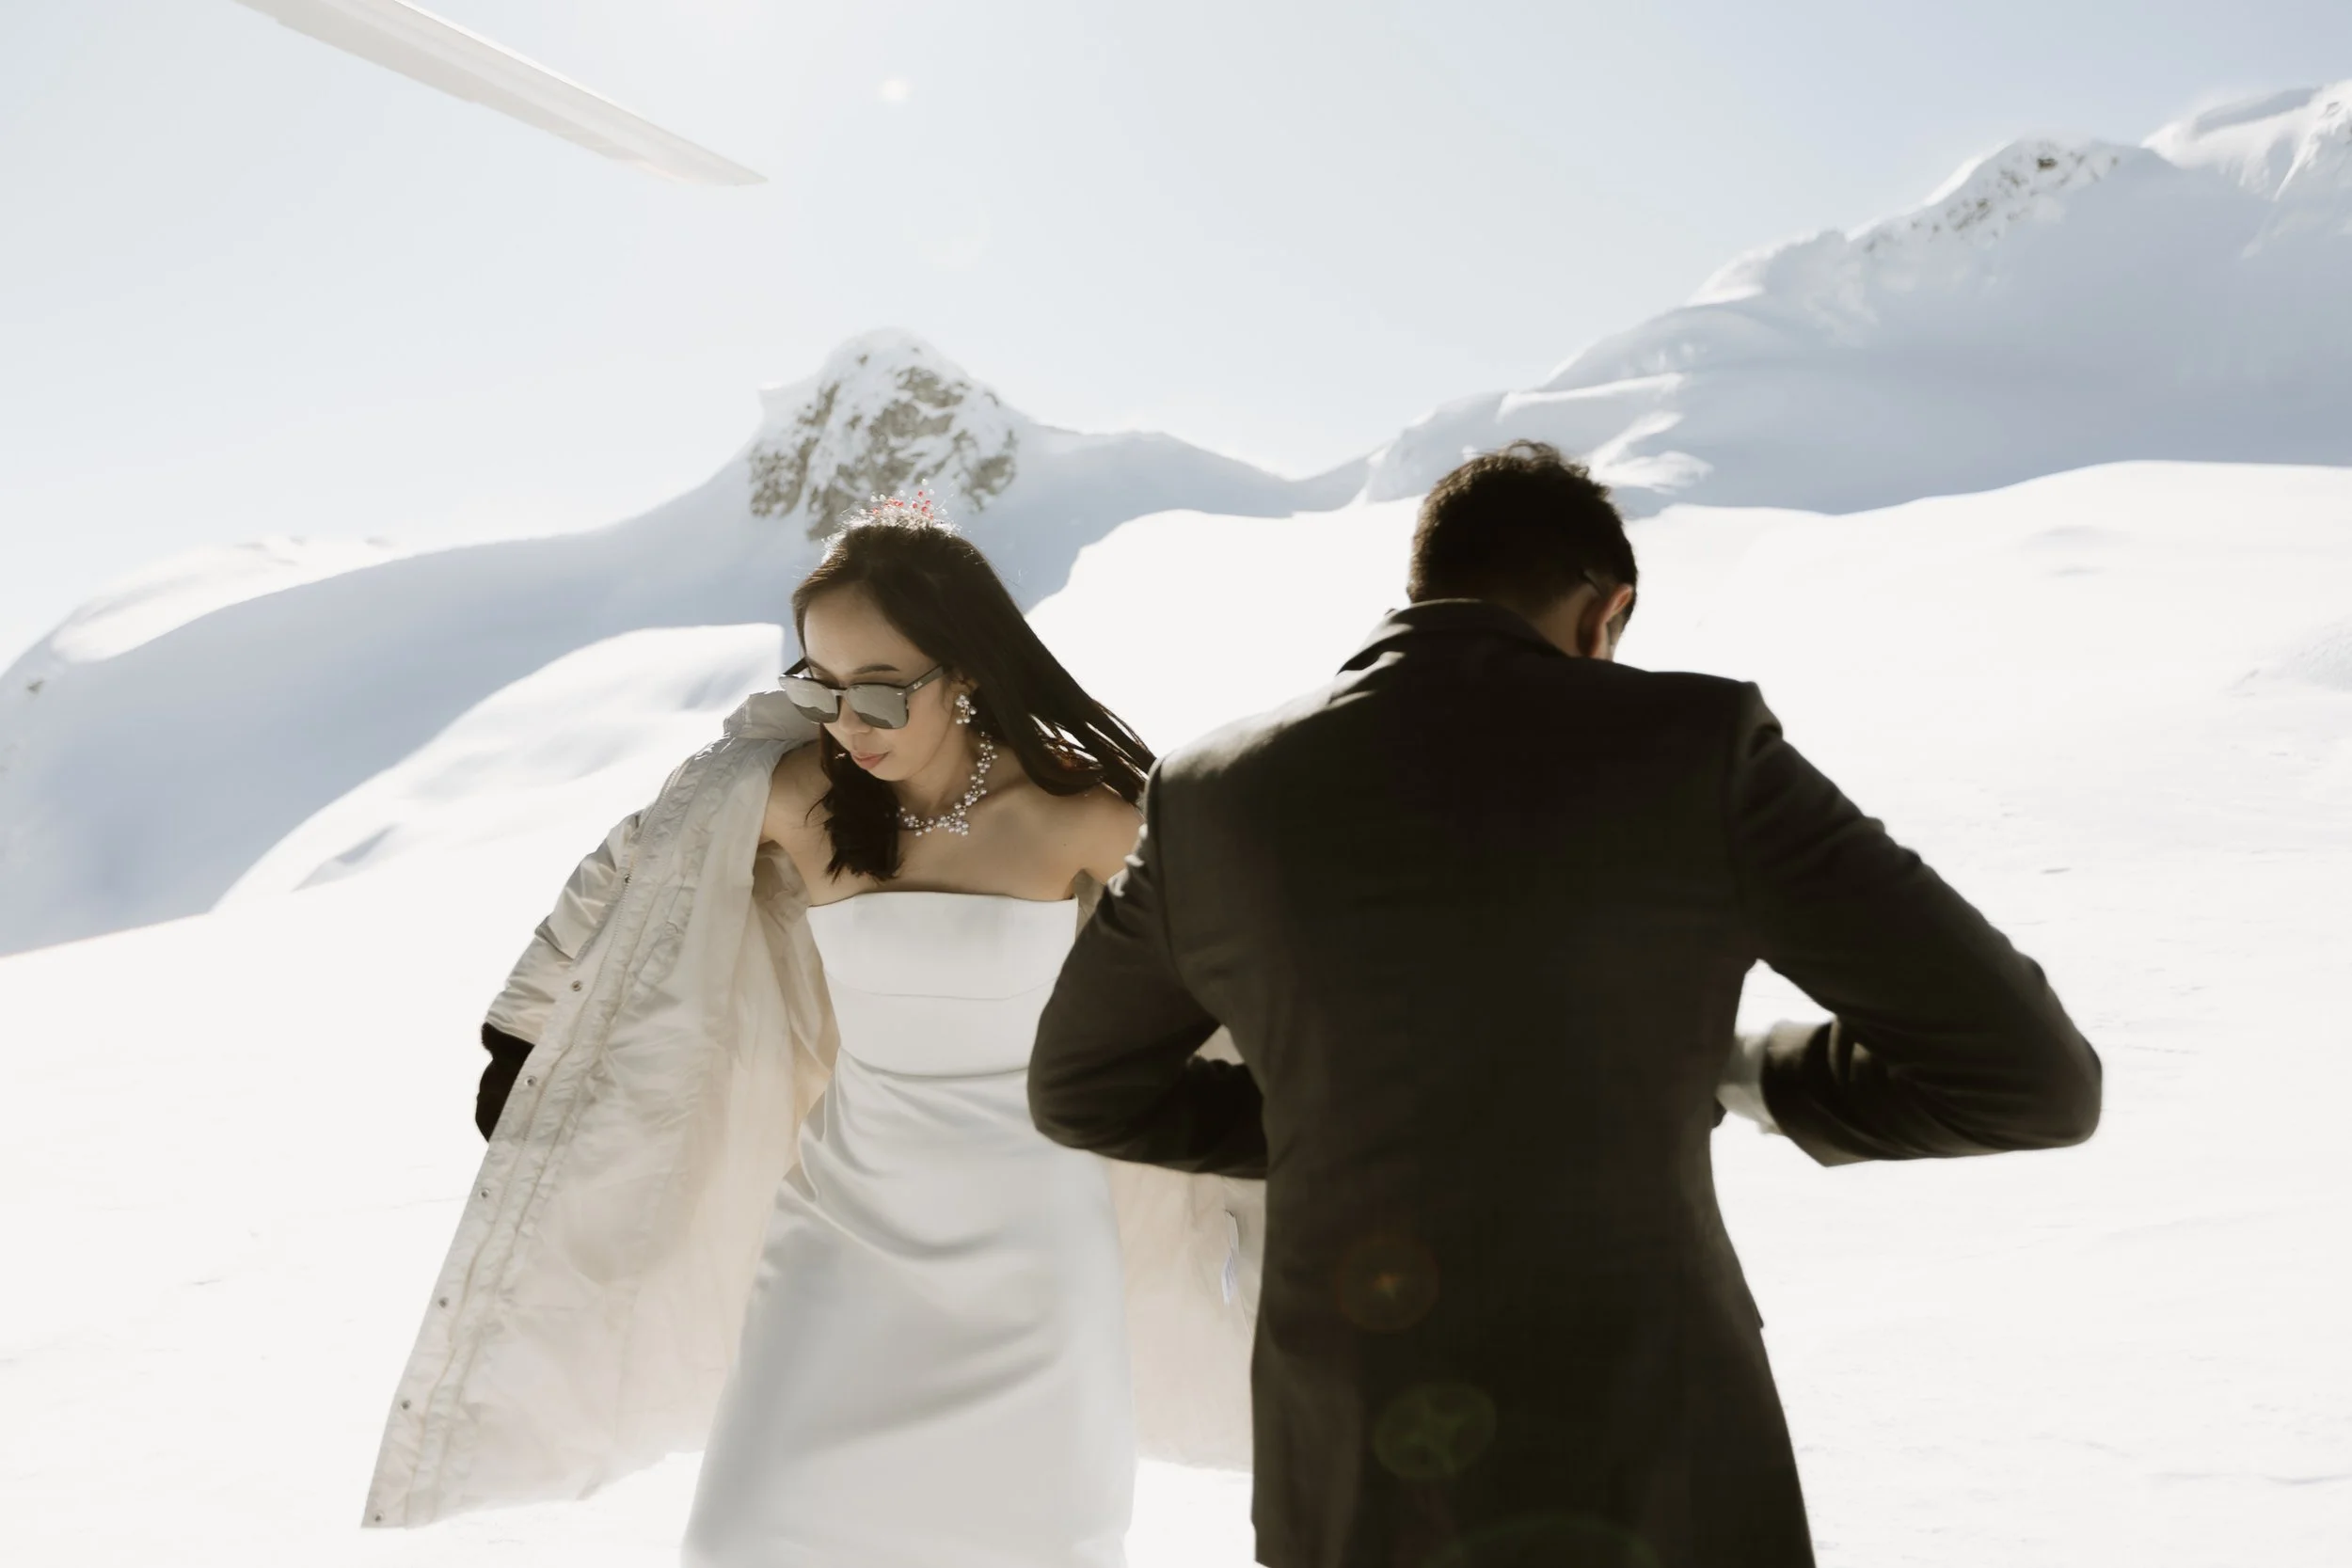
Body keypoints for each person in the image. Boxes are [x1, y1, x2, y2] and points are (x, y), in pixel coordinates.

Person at [1027, 441, 2105, 1568]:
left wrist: (1326, 1115)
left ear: (1418, 592)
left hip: (1354, 1474)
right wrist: (1750, 1070)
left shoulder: (1212, 794)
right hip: (1657, 1452)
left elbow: (1081, 1088)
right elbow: (2030, 1076)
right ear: (1605, 611)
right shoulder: (1701, 751)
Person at [362, 497, 1263, 1564]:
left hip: (1036, 1262)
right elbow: (634, 875)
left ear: (965, 669)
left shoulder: (1085, 813)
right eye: (818, 686)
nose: (848, 723)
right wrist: (522, 1033)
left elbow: (1239, 970)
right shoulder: (798, 797)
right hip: (840, 1238)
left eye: (879, 690)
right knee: (751, 1537)